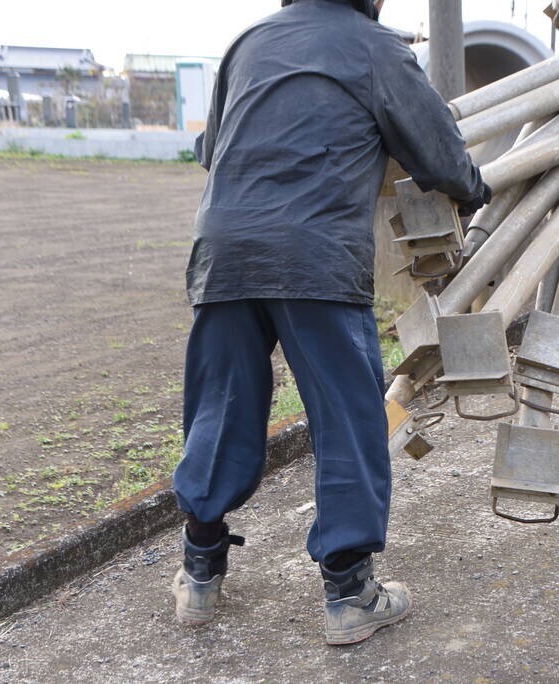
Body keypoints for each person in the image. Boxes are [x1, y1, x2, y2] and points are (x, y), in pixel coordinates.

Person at [171, 0, 491, 645]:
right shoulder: (375, 47)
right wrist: (476, 190)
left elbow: (212, 150)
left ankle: (199, 572)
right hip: (315, 255)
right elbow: (439, 156)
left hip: (225, 248)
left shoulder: (248, 43)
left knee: (222, 405)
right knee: (347, 419)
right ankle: (350, 594)